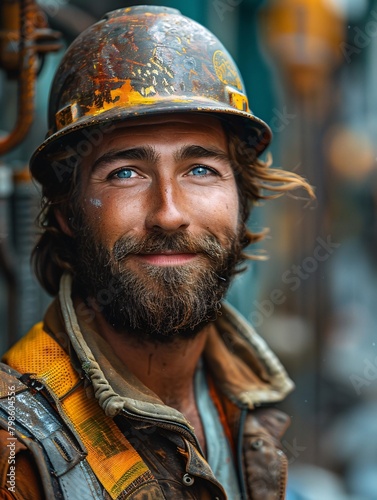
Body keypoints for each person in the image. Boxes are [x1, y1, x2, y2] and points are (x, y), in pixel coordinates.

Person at [0, 5, 313, 499]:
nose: (168, 213)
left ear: (242, 201)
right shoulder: (15, 452)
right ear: (65, 211)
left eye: (201, 169)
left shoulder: (240, 396)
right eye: (125, 172)